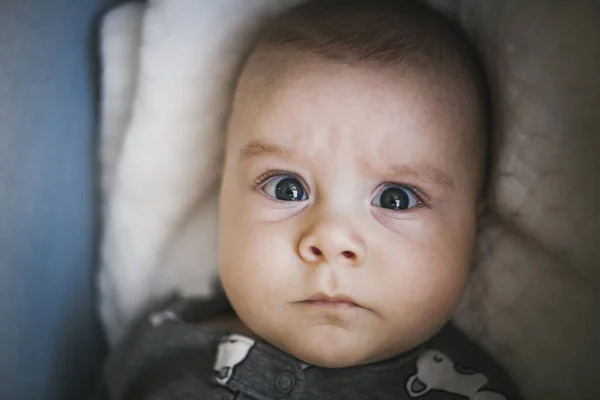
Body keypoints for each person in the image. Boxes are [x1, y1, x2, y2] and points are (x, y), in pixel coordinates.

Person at [99, 0, 522, 398]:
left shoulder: (467, 388)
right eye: (287, 188)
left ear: (472, 223)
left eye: (396, 199)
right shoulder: (162, 348)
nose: (332, 239)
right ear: (224, 188)